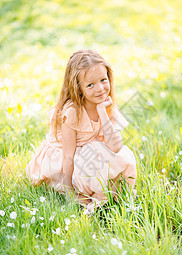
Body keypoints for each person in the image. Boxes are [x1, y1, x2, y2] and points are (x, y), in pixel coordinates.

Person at [26, 49, 137, 214]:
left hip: (88, 151)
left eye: (103, 80)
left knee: (122, 156)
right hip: (63, 160)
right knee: (93, 164)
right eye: (90, 85)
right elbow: (68, 156)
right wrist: (68, 191)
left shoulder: (106, 103)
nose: (99, 89)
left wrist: (102, 113)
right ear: (78, 88)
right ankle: (92, 193)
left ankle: (109, 192)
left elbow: (115, 147)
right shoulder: (72, 112)